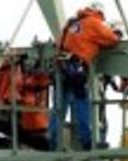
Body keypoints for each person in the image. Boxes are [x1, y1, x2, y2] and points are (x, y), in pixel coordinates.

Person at [49, 2, 122, 150]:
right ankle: (87, 141)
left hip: (61, 67)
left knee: (59, 107)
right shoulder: (94, 22)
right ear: (100, 13)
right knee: (82, 103)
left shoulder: (72, 23)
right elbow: (112, 39)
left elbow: (59, 45)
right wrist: (118, 35)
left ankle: (52, 140)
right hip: (77, 68)